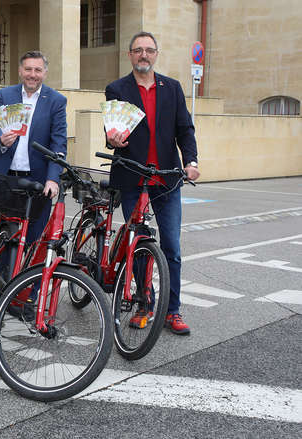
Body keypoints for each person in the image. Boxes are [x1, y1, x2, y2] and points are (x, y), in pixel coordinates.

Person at [105, 31, 200, 335]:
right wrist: (112, 139)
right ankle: (145, 304)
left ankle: (172, 311)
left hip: (167, 180)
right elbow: (112, 130)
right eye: (137, 50)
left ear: (156, 54)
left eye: (149, 50)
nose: (143, 55)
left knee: (171, 247)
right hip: (132, 178)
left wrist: (191, 161)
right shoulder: (116, 88)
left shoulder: (171, 88)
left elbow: (185, 129)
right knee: (138, 245)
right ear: (129, 55)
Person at [0, 50, 67, 242]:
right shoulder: (5, 95)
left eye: (38, 70)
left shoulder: (56, 100)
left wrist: (53, 178)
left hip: (38, 180)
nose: (32, 74)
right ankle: (2, 273)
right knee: (4, 239)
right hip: (6, 178)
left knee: (33, 240)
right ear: (20, 71)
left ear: (45, 73)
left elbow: (59, 141)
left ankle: (29, 273)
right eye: (28, 69)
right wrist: (1, 139)